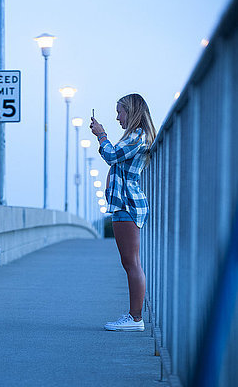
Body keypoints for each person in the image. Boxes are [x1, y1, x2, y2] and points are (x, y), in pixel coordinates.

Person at [90, 93, 156, 331]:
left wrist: (101, 135)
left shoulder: (137, 136)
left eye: (120, 112)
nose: (118, 117)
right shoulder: (137, 137)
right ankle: (134, 316)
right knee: (130, 262)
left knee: (131, 262)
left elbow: (111, 156)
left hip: (128, 204)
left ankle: (135, 318)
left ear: (132, 111)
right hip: (125, 204)